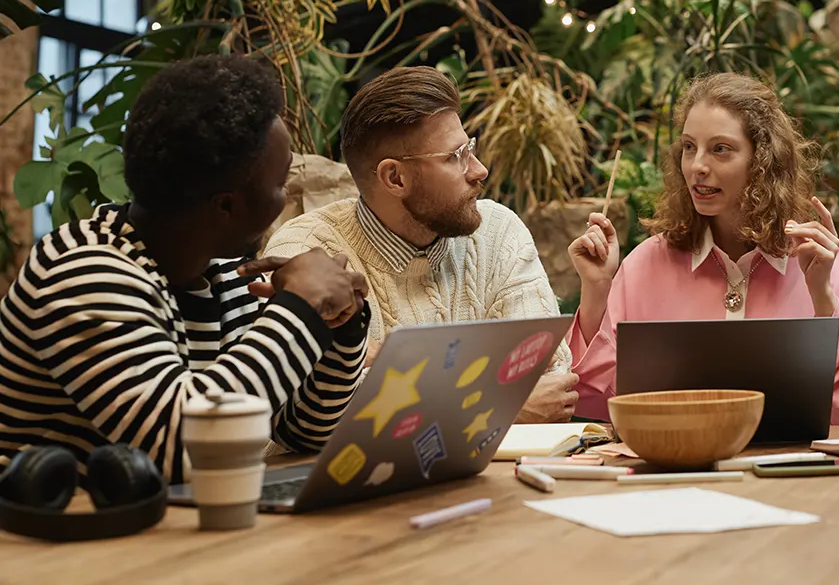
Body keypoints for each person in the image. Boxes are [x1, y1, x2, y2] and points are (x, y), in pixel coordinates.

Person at [0, 55, 371, 483]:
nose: (286, 195)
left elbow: (306, 430)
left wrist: (339, 327)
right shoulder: (83, 270)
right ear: (227, 205)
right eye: (280, 183)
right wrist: (299, 309)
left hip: (153, 531)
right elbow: (183, 448)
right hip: (43, 537)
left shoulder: (221, 276)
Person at [567, 72, 839, 423]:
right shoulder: (646, 264)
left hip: (789, 475)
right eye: (689, 147)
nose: (697, 166)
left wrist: (823, 297)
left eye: (720, 149)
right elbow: (589, 403)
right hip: (674, 469)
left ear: (762, 160)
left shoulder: (821, 261)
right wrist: (596, 291)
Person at [263, 66, 578, 424]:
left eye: (470, 149)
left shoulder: (498, 231)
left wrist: (391, 364)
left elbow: (551, 376)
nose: (479, 170)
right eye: (454, 157)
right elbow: (309, 414)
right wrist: (499, 402)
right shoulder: (306, 252)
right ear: (395, 177)